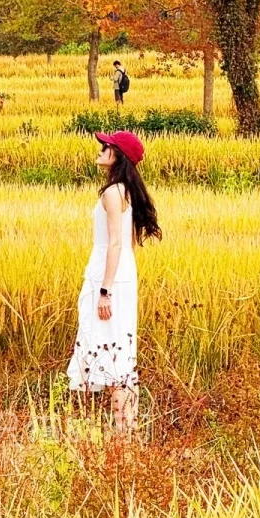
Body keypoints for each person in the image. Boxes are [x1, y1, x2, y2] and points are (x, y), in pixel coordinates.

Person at [67, 130, 161, 435]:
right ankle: (127, 432)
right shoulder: (126, 191)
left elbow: (115, 245)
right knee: (120, 355)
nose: (100, 149)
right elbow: (128, 245)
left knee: (110, 357)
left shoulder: (111, 193)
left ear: (117, 154)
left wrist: (105, 291)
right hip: (123, 277)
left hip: (108, 278)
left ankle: (122, 435)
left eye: (105, 146)